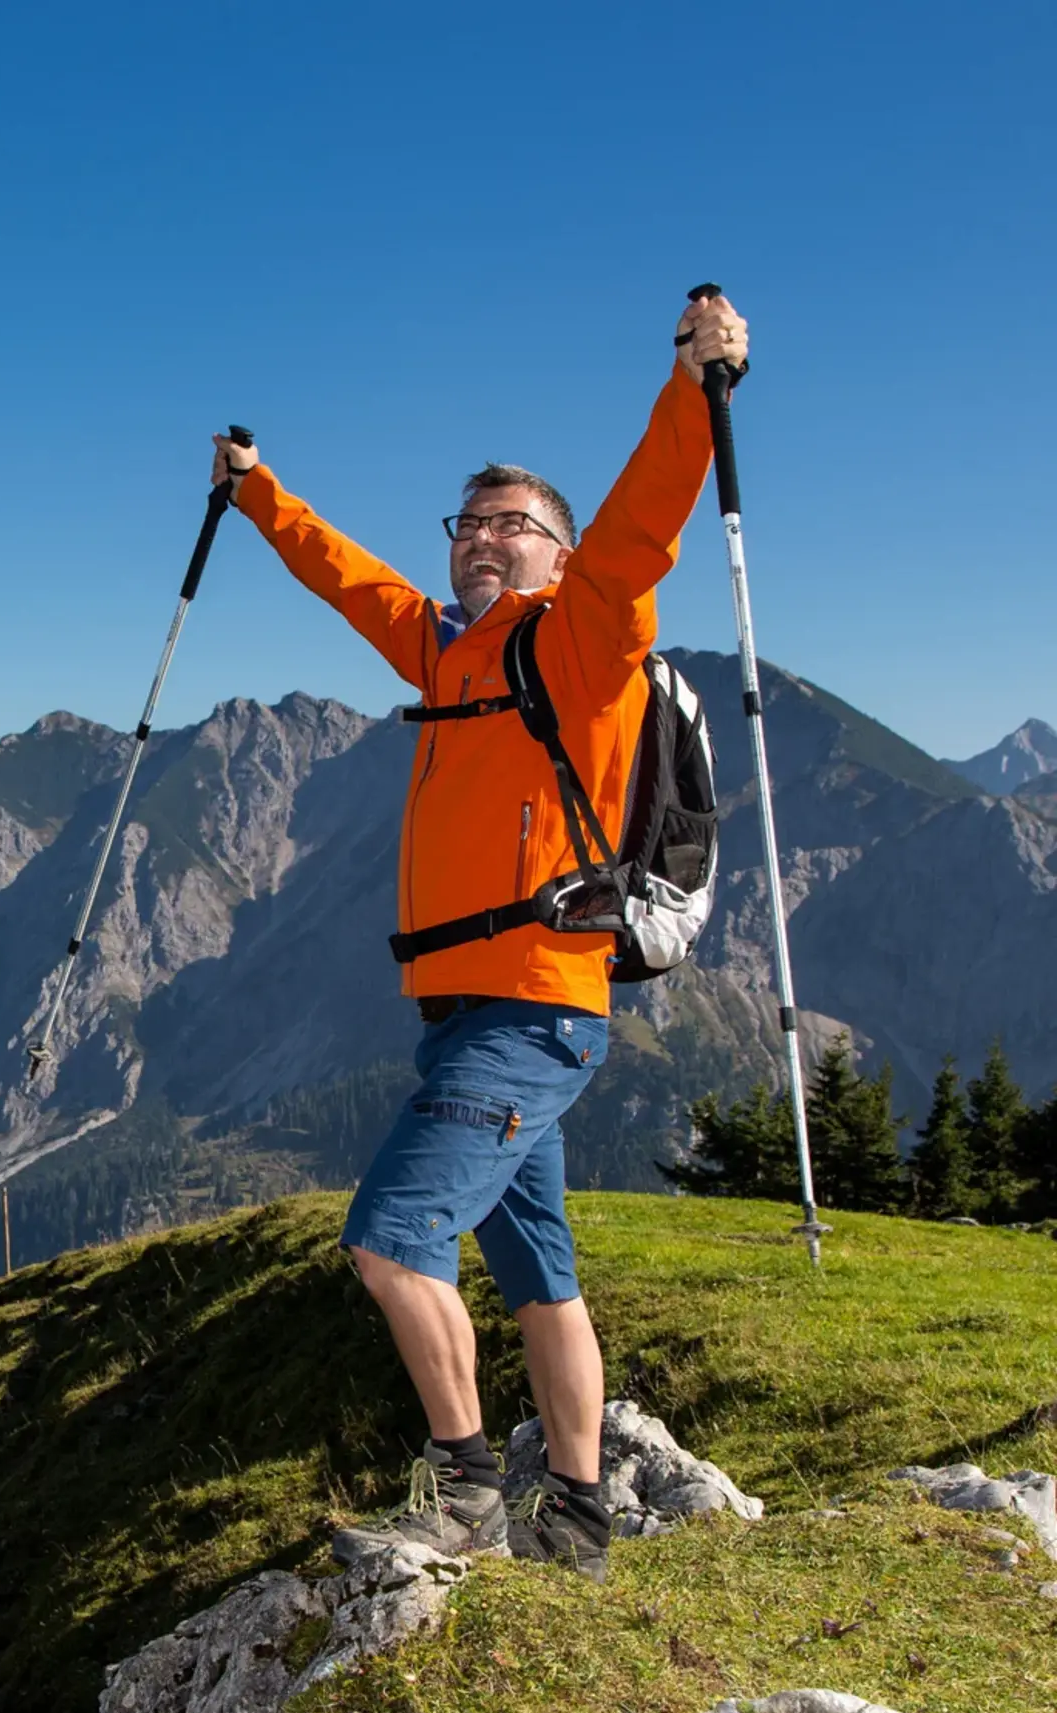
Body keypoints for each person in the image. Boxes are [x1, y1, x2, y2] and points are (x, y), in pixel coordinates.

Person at [212, 292, 749, 1582]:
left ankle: (463, 1495)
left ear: (557, 556)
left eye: (514, 523)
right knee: (540, 1279)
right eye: (470, 523)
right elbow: (350, 579)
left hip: (532, 1003)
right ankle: (578, 1514)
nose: (482, 540)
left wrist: (694, 386)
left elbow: (635, 536)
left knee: (390, 1244)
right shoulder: (448, 654)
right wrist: (256, 492)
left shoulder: (583, 644)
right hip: (478, 1009)